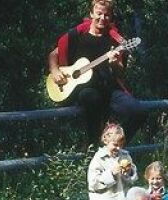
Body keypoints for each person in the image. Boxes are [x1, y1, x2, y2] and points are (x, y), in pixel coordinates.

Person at [48, 0, 145, 147]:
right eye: (99, 14)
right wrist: (54, 70)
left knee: (139, 112)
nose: (102, 18)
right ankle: (93, 146)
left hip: (109, 88)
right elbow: (53, 54)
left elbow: (120, 73)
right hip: (83, 90)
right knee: (90, 97)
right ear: (91, 13)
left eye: (107, 15)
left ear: (111, 17)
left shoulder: (114, 40)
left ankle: (113, 146)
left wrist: (114, 63)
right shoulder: (76, 36)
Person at [88, 123, 138, 200]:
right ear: (105, 140)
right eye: (115, 145)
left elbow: (134, 177)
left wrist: (129, 172)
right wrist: (111, 174)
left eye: (120, 145)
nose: (118, 148)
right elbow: (93, 184)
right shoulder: (99, 159)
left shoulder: (125, 155)